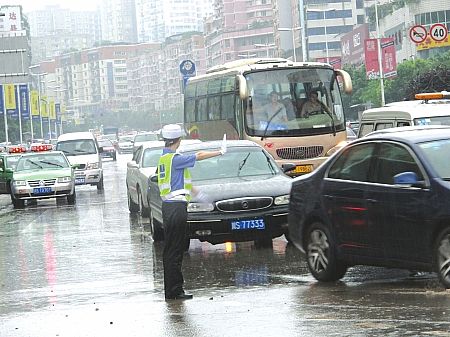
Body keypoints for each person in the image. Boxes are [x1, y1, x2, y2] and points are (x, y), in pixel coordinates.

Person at [157, 124, 225, 301]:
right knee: (175, 250)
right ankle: (174, 291)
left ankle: (172, 290)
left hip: (170, 207)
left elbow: (182, 184)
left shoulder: (164, 159)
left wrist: (199, 195)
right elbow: (199, 155)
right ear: (178, 140)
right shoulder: (175, 158)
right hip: (176, 208)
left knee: (172, 249)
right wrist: (219, 152)